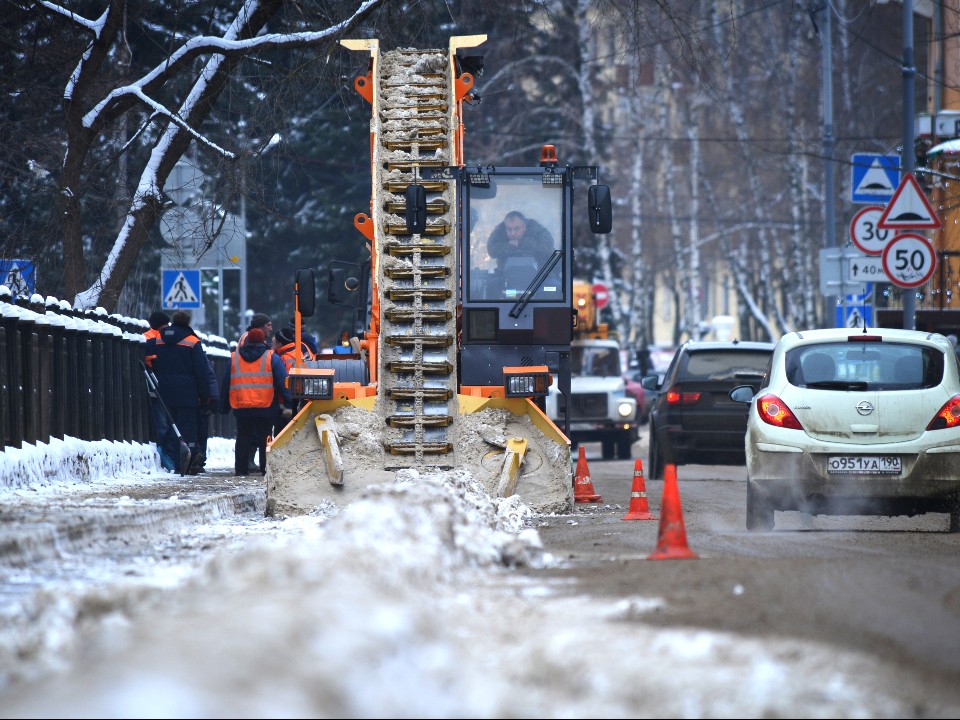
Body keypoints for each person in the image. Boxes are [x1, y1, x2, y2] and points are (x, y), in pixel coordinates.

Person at [145, 310, 212, 475]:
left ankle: (176, 461)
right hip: (188, 392)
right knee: (187, 428)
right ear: (187, 323)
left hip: (165, 390)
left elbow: (150, 357)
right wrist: (205, 396)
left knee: (172, 426)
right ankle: (187, 464)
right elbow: (201, 371)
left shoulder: (158, 339)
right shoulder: (192, 341)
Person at [229, 327, 291, 476]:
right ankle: (265, 469)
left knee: (243, 436)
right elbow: (283, 381)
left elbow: (226, 381)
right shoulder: (271, 357)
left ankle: (241, 470)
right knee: (265, 437)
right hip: (265, 404)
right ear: (263, 341)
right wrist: (289, 401)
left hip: (241, 404)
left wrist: (223, 405)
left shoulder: (235, 357)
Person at [142, 311, 174, 471]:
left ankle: (169, 452)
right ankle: (166, 452)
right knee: (163, 422)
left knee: (165, 421)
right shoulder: (152, 338)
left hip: (162, 382)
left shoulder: (152, 336)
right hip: (157, 382)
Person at [486, 210, 554, 270]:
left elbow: (547, 247)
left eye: (517, 228)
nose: (513, 233)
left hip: (539, 277)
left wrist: (521, 243)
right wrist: (509, 246)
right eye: (509, 229)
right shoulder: (500, 230)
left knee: (553, 283)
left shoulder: (536, 229)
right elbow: (491, 250)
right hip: (506, 276)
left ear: (524, 226)